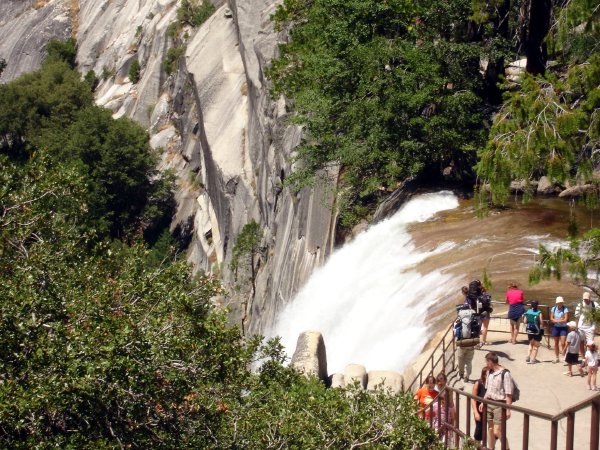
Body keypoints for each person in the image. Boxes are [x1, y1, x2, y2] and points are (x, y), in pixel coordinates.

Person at [480, 352, 513, 450]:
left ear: (491, 362)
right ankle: (491, 448)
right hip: (489, 403)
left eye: (487, 362)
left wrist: (508, 409)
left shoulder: (505, 373)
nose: (486, 364)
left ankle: (506, 448)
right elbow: (488, 390)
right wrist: (483, 401)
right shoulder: (489, 372)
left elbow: (509, 393)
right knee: (490, 429)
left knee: (497, 431)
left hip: (499, 404)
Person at [471, 367, 488, 443]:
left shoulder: (491, 385)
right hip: (479, 410)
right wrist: (476, 412)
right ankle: (476, 446)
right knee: (479, 430)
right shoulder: (478, 383)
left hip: (489, 410)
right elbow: (473, 399)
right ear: (483, 375)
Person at [550, 296, 569, 363]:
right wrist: (559, 320)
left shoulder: (565, 309)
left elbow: (565, 319)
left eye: (561, 302)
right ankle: (557, 357)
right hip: (556, 327)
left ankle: (565, 357)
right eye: (559, 302)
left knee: (563, 343)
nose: (560, 304)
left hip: (563, 328)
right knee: (556, 343)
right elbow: (551, 318)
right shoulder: (553, 309)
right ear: (557, 303)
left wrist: (556, 320)